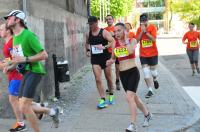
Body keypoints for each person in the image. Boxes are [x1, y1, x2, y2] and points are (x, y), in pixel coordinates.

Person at [4, 10, 59, 132]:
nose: (7, 20)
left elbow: (44, 55)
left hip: (35, 71)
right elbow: (19, 59)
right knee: (23, 104)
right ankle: (52, 111)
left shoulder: (28, 35)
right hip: (25, 73)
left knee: (24, 106)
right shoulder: (15, 38)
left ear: (17, 20)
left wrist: (26, 59)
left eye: (9, 17)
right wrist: (10, 65)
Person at [106, 23, 152, 132]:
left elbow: (131, 51)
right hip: (123, 74)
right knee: (134, 98)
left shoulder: (132, 40)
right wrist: (110, 61)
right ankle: (147, 114)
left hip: (133, 72)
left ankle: (133, 125)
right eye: (115, 31)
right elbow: (114, 58)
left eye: (119, 31)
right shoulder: (115, 44)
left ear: (124, 31)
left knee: (129, 98)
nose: (116, 33)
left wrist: (126, 40)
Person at [0, 23, 26, 132]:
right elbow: (10, 58)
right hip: (12, 75)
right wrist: (5, 64)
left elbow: (18, 59)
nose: (0, 31)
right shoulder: (7, 43)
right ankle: (45, 109)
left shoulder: (14, 41)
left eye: (1, 29)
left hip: (17, 75)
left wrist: (9, 67)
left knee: (13, 99)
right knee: (22, 100)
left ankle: (21, 124)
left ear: (8, 31)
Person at [85, 16, 115, 109]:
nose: (90, 26)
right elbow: (87, 43)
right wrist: (87, 50)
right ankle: (102, 98)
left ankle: (111, 93)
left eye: (91, 24)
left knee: (108, 77)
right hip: (95, 59)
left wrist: (104, 47)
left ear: (96, 23)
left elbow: (112, 41)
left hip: (105, 58)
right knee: (98, 79)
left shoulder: (104, 32)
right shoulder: (88, 33)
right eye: (89, 24)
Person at [136, 13, 159, 98]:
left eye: (145, 20)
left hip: (153, 53)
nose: (143, 22)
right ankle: (150, 90)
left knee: (153, 72)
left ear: (147, 20)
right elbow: (137, 41)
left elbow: (154, 39)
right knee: (146, 72)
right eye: (142, 21)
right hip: (143, 54)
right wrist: (142, 31)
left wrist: (146, 31)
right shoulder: (139, 29)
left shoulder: (152, 27)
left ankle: (155, 79)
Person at [105, 14, 121, 90]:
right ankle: (110, 85)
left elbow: (121, 37)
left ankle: (117, 81)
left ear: (113, 20)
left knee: (117, 68)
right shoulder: (104, 30)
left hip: (117, 50)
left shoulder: (117, 28)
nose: (108, 20)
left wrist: (114, 34)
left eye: (110, 19)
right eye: (107, 19)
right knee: (108, 69)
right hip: (108, 52)